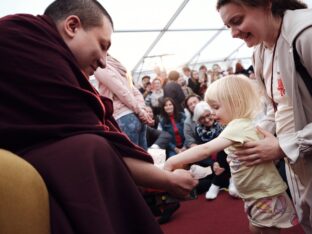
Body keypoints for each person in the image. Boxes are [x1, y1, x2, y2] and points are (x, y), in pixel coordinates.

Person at [0, 1, 198, 233]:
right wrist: (167, 180)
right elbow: (97, 136)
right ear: (72, 26)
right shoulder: (17, 38)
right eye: (103, 45)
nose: (104, 60)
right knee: (89, 149)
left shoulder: (57, 60)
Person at [217, 1, 312, 233]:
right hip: (298, 162)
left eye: (237, 21)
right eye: (228, 25)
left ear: (266, 4)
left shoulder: (306, 36)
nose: (233, 33)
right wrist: (254, 137)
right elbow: (277, 108)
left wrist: (283, 146)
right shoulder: (260, 52)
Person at [165, 75, 298, 234]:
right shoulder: (240, 125)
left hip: (263, 194)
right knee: (260, 228)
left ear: (235, 103)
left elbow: (205, 149)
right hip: (257, 192)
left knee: (260, 229)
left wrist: (172, 161)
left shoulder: (237, 126)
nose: (212, 114)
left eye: (216, 107)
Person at [95, 54, 151, 150]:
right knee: (145, 158)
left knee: (133, 160)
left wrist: (140, 111)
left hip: (123, 117)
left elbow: (122, 92)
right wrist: (141, 110)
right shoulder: (118, 66)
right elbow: (135, 91)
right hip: (136, 118)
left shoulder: (101, 67)